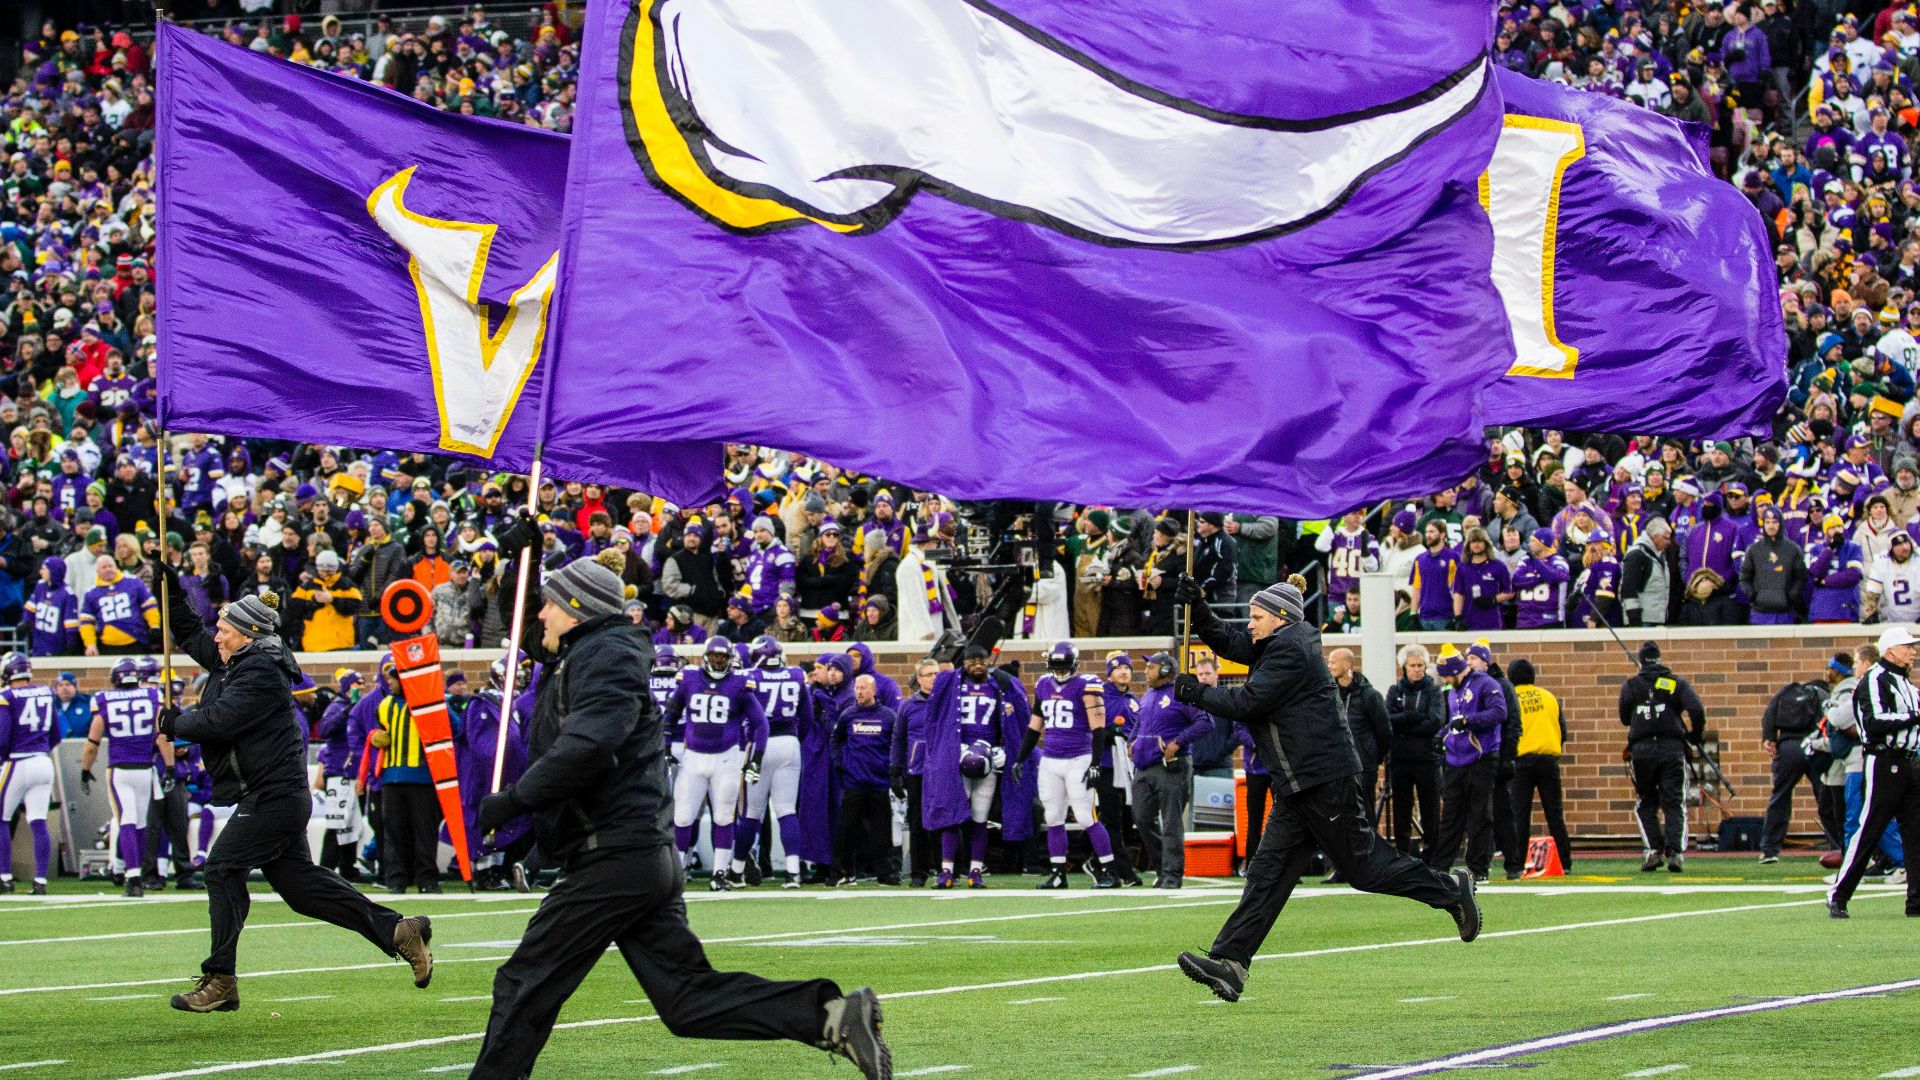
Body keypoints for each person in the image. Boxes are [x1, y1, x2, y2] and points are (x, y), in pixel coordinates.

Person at [468, 556, 891, 1079]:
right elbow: (533, 636)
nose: (542, 615)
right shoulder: (589, 650)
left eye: (551, 604)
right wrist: (524, 557)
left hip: (612, 856)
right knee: (686, 999)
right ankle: (829, 1017)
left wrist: (515, 800)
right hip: (637, 854)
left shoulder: (604, 656)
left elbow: (589, 745)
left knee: (523, 982)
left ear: (576, 610)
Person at [1169, 573, 1478, 1003]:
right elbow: (1234, 645)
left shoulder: (1291, 652)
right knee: (1267, 873)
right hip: (1299, 783)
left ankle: (1450, 891)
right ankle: (1230, 962)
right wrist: (1199, 607)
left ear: (1280, 618)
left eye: (1256, 617)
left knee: (1364, 868)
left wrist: (1197, 692)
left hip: (1322, 778)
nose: (1250, 624)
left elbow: (1247, 702)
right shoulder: (1279, 644)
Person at [151, 565, 432, 1014]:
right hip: (272, 795)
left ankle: (221, 978)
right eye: (218, 629)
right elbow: (189, 633)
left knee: (222, 869)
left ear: (246, 634)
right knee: (301, 889)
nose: (216, 637)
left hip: (274, 797)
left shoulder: (259, 671)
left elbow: (218, 721)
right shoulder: (237, 659)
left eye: (224, 630)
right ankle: (398, 930)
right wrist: (170, 592)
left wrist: (176, 723)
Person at [1828, 626, 1920, 919]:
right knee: (1869, 828)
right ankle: (1839, 895)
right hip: (1883, 761)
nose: (1913, 652)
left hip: (1910, 763)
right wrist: (1914, 716)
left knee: (1916, 834)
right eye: (1908, 647)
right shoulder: (1873, 680)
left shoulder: (1907, 684)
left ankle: (1916, 902)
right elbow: (1875, 722)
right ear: (1891, 650)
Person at [663, 636, 769, 889]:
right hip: (693, 758)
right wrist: (666, 748)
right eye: (715, 657)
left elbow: (761, 723)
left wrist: (756, 758)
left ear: (730, 660)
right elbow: (671, 714)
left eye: (723, 658)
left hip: (726, 758)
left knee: (723, 816)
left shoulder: (739, 684)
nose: (719, 662)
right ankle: (678, 870)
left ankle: (719, 874)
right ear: (706, 657)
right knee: (683, 816)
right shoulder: (689, 678)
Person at [922, 644, 1029, 889]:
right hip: (956, 756)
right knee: (951, 815)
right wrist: (948, 748)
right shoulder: (951, 682)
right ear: (964, 663)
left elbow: (1019, 708)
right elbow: (933, 714)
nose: (977, 665)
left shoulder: (998, 684)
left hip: (989, 755)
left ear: (988, 660)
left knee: (980, 817)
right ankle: (946, 870)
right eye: (972, 662)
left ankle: (975, 870)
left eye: (981, 661)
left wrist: (1001, 747)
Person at [1019, 641, 1121, 888]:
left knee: (1086, 816)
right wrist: (1021, 758)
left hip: (1079, 758)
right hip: (1051, 759)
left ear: (1074, 665)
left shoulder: (1086, 684)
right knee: (1053, 816)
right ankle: (1058, 873)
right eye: (1056, 666)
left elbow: (1098, 728)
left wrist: (1095, 763)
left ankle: (1109, 871)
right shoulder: (1043, 684)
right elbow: (1035, 727)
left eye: (1064, 667)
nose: (1060, 671)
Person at [79, 656, 171, 895]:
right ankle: (135, 872)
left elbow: (92, 743)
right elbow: (163, 736)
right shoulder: (152, 696)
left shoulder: (104, 699)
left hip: (120, 769)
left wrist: (85, 769)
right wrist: (170, 766)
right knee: (140, 822)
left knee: (126, 821)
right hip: (145, 769)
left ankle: (132, 878)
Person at [732, 635, 813, 888]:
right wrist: (795, 738)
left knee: (751, 813)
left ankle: (736, 871)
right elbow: (807, 716)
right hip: (789, 744)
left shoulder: (749, 676)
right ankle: (792, 873)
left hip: (758, 745)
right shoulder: (797, 674)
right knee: (787, 809)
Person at [1619, 641, 1706, 872]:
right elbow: (1696, 708)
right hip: (1672, 749)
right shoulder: (1674, 683)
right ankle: (1675, 853)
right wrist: (1695, 735)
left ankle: (1653, 851)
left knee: (1645, 802)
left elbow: (1624, 718)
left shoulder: (1631, 685)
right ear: (1659, 659)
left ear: (1641, 662)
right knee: (1674, 802)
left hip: (1642, 751)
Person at [1423, 644, 1506, 884]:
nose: (1445, 679)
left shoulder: (1486, 684)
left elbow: (1499, 713)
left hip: (1482, 756)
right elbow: (1455, 721)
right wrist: (1442, 733)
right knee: (1451, 815)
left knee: (1480, 813)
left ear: (1457, 669)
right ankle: (1441, 865)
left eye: (1447, 674)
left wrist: (1471, 721)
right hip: (1455, 758)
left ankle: (1478, 867)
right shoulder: (1452, 690)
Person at [1129, 650, 1212, 888]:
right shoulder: (1148, 695)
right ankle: (1161, 868)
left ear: (1166, 670)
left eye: (1151, 667)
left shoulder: (1182, 694)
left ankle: (1172, 875)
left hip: (1170, 766)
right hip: (1144, 766)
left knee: (1171, 822)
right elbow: (1139, 721)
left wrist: (1178, 742)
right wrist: (1132, 740)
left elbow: (1205, 722)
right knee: (1142, 818)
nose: (1146, 671)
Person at [1760, 659, 1848, 862]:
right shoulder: (1825, 694)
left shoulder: (1787, 692)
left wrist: (1769, 737)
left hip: (1788, 747)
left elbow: (1769, 713)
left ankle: (1769, 849)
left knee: (1780, 796)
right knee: (1826, 798)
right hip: (1814, 748)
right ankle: (1839, 847)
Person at [373, 661, 444, 894]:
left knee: (424, 830)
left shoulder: (427, 703)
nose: (389, 682)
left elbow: (453, 726)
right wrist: (375, 736)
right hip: (391, 777)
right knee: (393, 831)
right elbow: (375, 729)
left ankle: (427, 879)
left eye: (393, 678)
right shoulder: (384, 705)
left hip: (422, 776)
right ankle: (396, 879)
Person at [831, 674, 899, 886]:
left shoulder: (888, 716)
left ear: (874, 691)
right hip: (854, 783)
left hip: (879, 783)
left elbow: (897, 745)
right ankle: (842, 872)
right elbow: (836, 739)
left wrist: (893, 771)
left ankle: (885, 874)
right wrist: (840, 764)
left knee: (881, 833)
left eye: (863, 688)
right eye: (857, 688)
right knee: (846, 830)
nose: (859, 692)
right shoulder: (848, 715)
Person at [0, 652, 59, 894]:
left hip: (18, 762)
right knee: (38, 822)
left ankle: (4, 877)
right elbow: (56, 733)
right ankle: (40, 881)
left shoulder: (7, 696)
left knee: (2, 818)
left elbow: (2, 738)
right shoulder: (46, 692)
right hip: (44, 761)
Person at [1506, 658, 1571, 874]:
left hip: (1521, 761)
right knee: (1554, 814)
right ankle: (1565, 862)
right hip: (1548, 760)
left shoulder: (1512, 698)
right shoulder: (1549, 697)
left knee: (1520, 815)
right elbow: (1563, 730)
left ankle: (1517, 864)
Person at [1385, 644, 1445, 858]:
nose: (1417, 669)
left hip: (1426, 758)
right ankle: (1402, 855)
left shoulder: (1434, 690)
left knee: (1430, 808)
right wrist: (1410, 717)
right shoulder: (1395, 690)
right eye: (1413, 665)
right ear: (1404, 667)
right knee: (1401, 809)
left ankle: (1431, 855)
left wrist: (1405, 723)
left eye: (1420, 665)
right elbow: (1387, 720)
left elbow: (1435, 721)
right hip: (1400, 759)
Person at [891, 658, 941, 887]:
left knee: (944, 822)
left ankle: (946, 869)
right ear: (919, 678)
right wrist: (896, 770)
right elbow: (898, 739)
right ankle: (919, 873)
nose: (933, 678)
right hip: (917, 771)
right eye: (928, 674)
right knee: (918, 822)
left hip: (942, 770)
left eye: (936, 674)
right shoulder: (908, 706)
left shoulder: (947, 703)